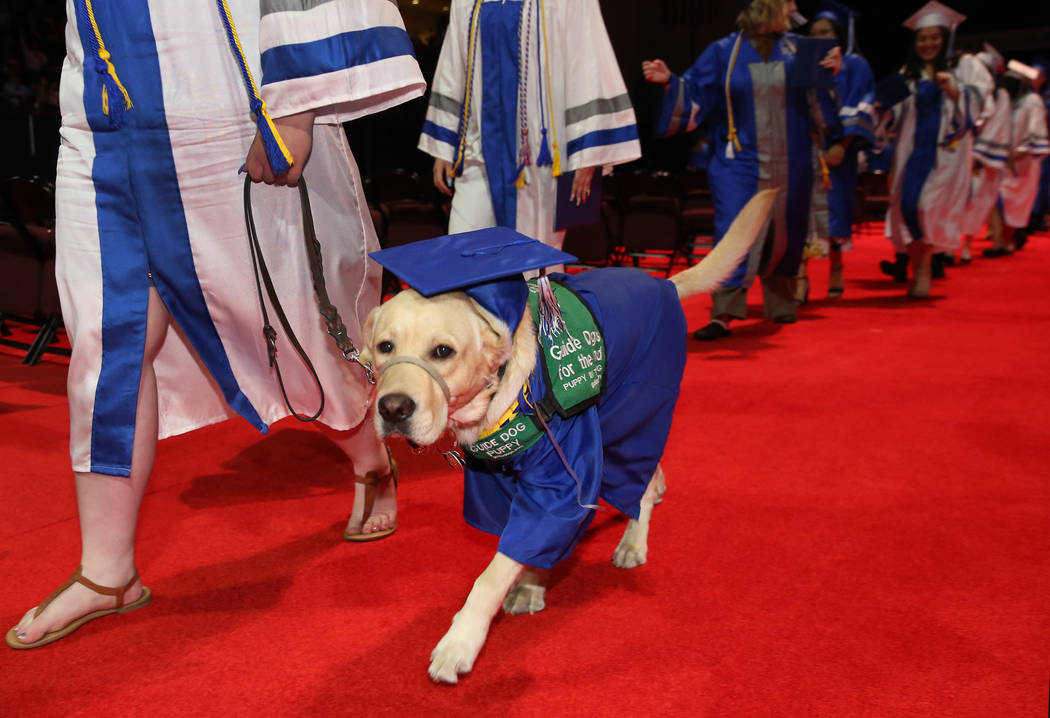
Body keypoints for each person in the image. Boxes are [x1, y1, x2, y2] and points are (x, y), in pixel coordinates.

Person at [7, 0, 424, 650]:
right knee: (104, 344)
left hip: (219, 107)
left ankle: (370, 459)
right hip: (97, 123)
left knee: (288, 339)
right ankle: (107, 569)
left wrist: (294, 106)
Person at [643, 0, 841, 340]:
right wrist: (670, 83)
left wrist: (831, 77)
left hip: (792, 159)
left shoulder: (798, 50)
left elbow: (822, 106)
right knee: (734, 230)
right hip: (738, 161)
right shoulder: (724, 51)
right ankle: (723, 311)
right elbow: (694, 93)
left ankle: (782, 303)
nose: (791, 8)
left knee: (788, 231)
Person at [419, 0, 640, 261]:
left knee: (534, 263)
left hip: (541, 156)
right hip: (479, 151)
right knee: (463, 253)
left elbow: (589, 60)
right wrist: (444, 145)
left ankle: (539, 302)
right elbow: (453, 62)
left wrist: (588, 152)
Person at [882, 1, 992, 297]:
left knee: (926, 208)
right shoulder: (908, 73)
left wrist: (957, 91)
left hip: (947, 155)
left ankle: (923, 271)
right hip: (910, 152)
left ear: (945, 38)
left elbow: (984, 102)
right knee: (909, 208)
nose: (928, 43)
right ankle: (920, 267)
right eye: (922, 38)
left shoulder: (964, 65)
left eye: (934, 37)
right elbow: (883, 112)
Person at [798, 0, 876, 302]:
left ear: (838, 34)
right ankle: (801, 275)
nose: (819, 37)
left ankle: (836, 268)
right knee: (803, 213)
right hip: (808, 148)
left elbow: (863, 103)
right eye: (814, 32)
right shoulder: (804, 67)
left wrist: (842, 146)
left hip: (839, 151)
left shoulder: (856, 64)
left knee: (836, 210)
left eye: (826, 32)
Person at [983, 61, 1050, 257]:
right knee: (998, 198)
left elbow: (1035, 130)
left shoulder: (1032, 101)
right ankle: (1001, 240)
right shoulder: (1011, 101)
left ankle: (1007, 241)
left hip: (1023, 162)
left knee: (1014, 201)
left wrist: (1020, 151)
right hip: (1006, 158)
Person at [959, 44, 1011, 263]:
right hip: (962, 152)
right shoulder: (966, 90)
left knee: (976, 202)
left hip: (983, 158)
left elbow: (996, 128)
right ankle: (946, 248)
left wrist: (978, 156)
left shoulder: (1000, 96)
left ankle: (967, 246)